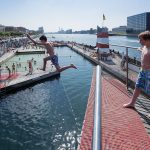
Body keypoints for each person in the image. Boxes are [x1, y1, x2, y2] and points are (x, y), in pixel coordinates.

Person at [123, 31, 150, 108]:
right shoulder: (145, 47)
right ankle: (132, 103)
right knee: (137, 87)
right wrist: (140, 50)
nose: (139, 41)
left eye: (141, 40)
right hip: (142, 71)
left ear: (147, 39)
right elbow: (144, 51)